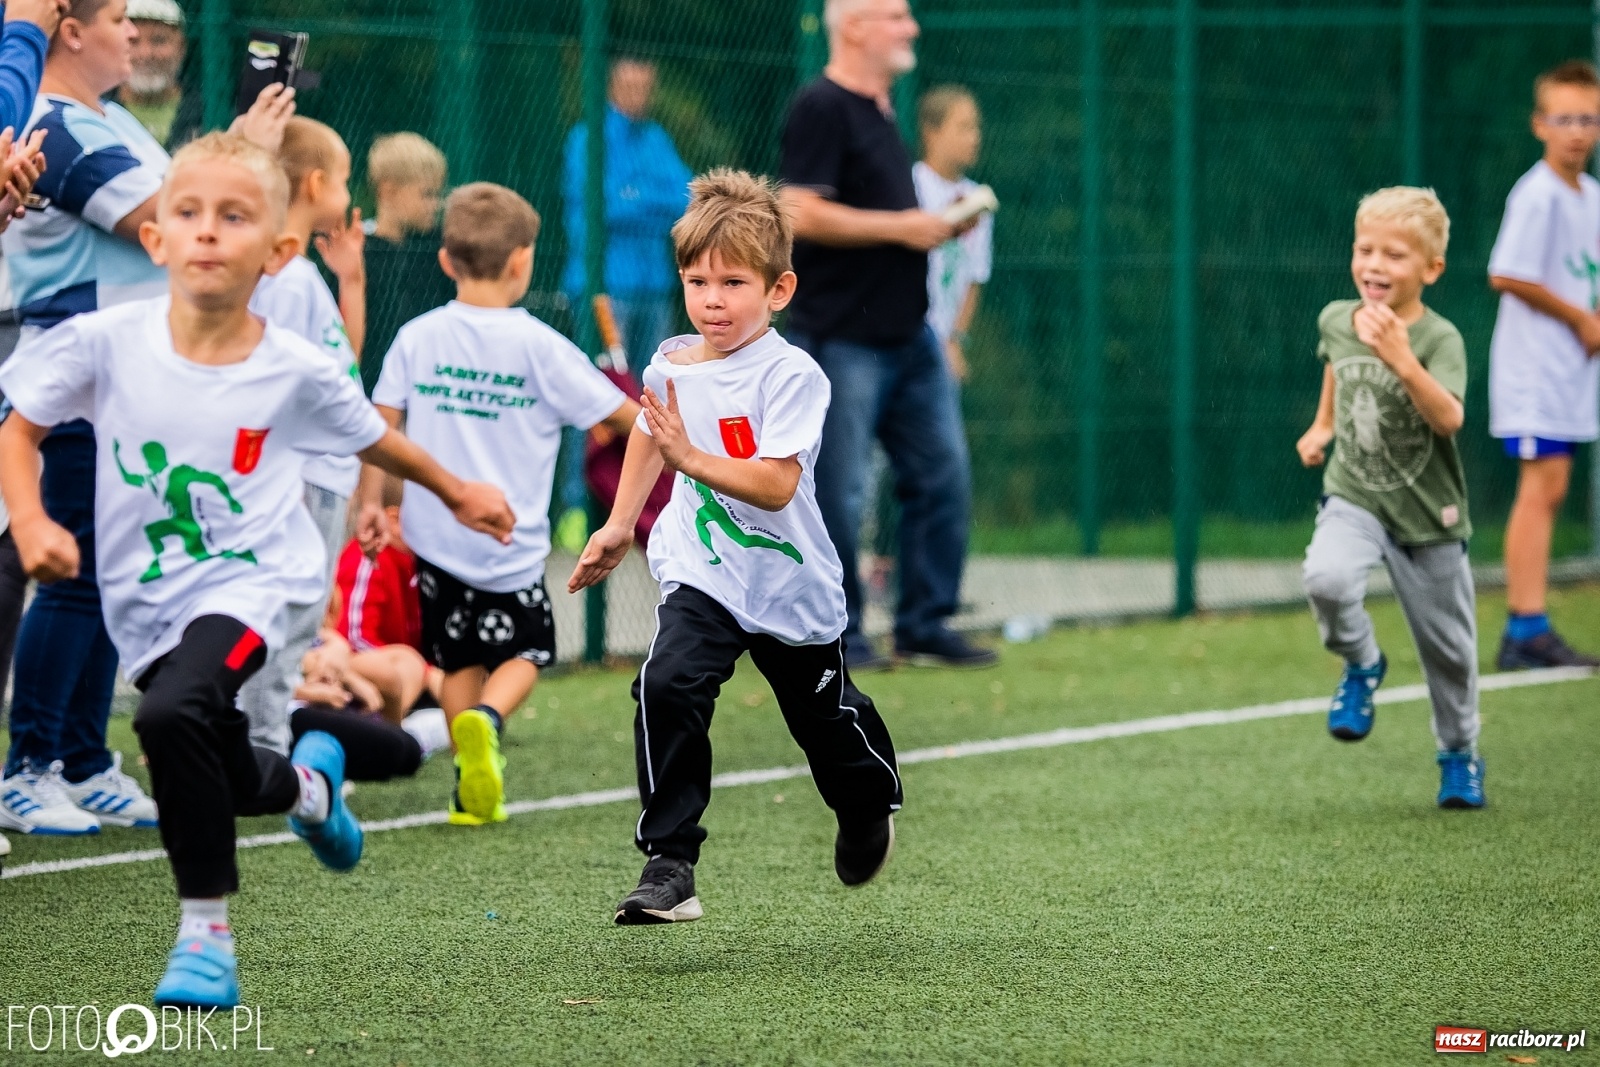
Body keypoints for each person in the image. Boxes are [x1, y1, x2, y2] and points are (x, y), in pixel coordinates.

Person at [0, 132, 514, 1007]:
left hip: (258, 583)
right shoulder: (105, 341)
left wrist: (457, 489)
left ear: (277, 251)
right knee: (217, 758)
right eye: (188, 214)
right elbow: (20, 427)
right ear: (156, 238)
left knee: (168, 716)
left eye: (233, 217)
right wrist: (33, 516)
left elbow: (371, 436)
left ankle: (205, 937)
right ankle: (311, 788)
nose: (207, 233)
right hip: (145, 600)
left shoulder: (295, 367)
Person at [570, 169, 904, 925]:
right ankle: (670, 861)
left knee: (825, 724)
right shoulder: (671, 363)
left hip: (788, 585)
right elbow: (653, 438)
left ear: (778, 290)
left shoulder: (794, 376)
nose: (712, 299)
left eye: (732, 282)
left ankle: (865, 804)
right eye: (696, 280)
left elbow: (777, 484)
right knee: (667, 682)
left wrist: (693, 458)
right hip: (705, 569)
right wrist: (620, 524)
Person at [370, 182, 638, 826]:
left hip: (434, 537)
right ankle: (487, 721)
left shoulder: (416, 336)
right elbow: (630, 420)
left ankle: (470, 783)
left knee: (456, 654)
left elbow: (380, 426)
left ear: (445, 261)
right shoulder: (540, 345)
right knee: (528, 651)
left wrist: (374, 506)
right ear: (522, 261)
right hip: (509, 545)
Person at [779, 0, 993, 671]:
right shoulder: (821, 105)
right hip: (845, 337)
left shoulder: (879, 107)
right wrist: (904, 228)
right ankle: (840, 634)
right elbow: (798, 209)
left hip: (911, 337)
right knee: (842, 492)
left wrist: (930, 226)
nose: (911, 29)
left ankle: (924, 622)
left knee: (943, 476)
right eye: (896, 17)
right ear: (856, 28)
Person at [1296, 187, 1485, 809]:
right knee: (1325, 578)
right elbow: (1336, 363)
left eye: (1395, 255)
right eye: (1364, 249)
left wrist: (1403, 358)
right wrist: (1324, 424)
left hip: (1430, 517)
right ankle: (1363, 662)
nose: (1375, 265)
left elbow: (1449, 418)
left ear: (1430, 269)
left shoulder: (1439, 339)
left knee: (1451, 655)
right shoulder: (1335, 318)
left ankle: (1459, 755)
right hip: (1354, 494)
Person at [237, 115, 369, 757]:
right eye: (345, 180)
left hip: (320, 474)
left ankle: (258, 737)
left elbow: (337, 364)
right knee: (285, 615)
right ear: (316, 183)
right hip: (302, 477)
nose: (350, 194)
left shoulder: (299, 276)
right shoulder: (283, 279)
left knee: (299, 612)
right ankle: (258, 744)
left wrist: (351, 279)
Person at [1486, 59, 1600, 670]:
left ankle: (1531, 625)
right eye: (1564, 119)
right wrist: (1580, 319)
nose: (1577, 131)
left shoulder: (1591, 198)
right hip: (1534, 370)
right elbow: (1507, 273)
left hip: (1571, 373)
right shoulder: (1537, 194)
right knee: (1543, 487)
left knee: (1553, 487)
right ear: (1540, 125)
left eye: (1587, 118)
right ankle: (1524, 629)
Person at [557, 56, 691, 551]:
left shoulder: (656, 138)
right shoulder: (586, 139)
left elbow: (683, 198)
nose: (638, 94)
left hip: (652, 288)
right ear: (613, 85)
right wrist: (642, 201)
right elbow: (601, 207)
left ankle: (641, 509)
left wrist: (633, 198)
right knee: (595, 398)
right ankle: (576, 508)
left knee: (650, 397)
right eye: (629, 85)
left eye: (645, 86)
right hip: (601, 291)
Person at [359, 132, 453, 393]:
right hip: (373, 388)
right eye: (427, 195)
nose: (436, 204)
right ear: (388, 192)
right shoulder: (357, 253)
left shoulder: (439, 249)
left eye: (438, 194)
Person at [914, 84, 991, 383]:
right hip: (908, 342)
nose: (974, 138)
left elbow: (975, 276)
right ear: (931, 132)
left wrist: (954, 341)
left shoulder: (977, 198)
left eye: (976, 128)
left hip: (943, 349)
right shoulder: (911, 187)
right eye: (963, 127)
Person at [117, 0, 196, 149]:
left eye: (158, 41)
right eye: (133, 41)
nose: (145, 54)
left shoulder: (207, 109)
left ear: (181, 47)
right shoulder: (96, 108)